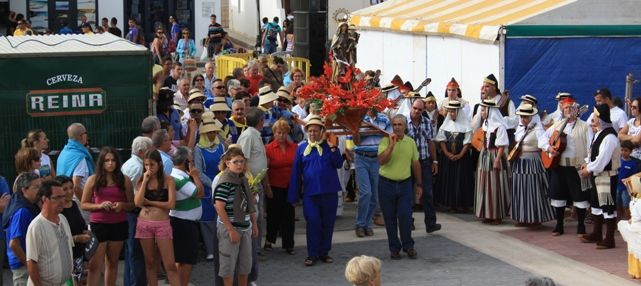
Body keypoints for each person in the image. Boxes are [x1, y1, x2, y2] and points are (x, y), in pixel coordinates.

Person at [288, 116, 343, 266]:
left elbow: (338, 164)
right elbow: (295, 173)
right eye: (310, 131)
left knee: (328, 223)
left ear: (321, 132)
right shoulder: (301, 148)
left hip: (329, 192)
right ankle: (312, 254)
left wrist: (333, 148)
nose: (312, 133)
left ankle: (324, 252)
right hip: (310, 194)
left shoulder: (329, 146)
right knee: (312, 222)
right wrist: (293, 197)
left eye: (315, 131)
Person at [80, 147, 133, 286]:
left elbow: (132, 204)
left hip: (118, 224)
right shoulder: (93, 180)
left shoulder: (124, 180)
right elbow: (84, 204)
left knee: (112, 262)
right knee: (94, 264)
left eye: (113, 160)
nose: (110, 163)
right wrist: (100, 206)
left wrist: (122, 205)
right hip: (99, 225)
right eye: (107, 160)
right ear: (101, 163)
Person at [544, 97, 592, 236]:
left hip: (577, 167)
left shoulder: (585, 126)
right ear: (563, 110)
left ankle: (581, 226)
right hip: (560, 166)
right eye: (566, 108)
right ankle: (559, 225)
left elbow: (591, 147)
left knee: (580, 197)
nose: (569, 110)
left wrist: (587, 164)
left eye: (571, 108)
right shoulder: (557, 125)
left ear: (577, 110)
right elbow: (543, 138)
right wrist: (548, 149)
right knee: (558, 196)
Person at [377, 114, 422, 259]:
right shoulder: (385, 141)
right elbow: (382, 161)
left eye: (400, 124)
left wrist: (419, 184)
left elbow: (415, 163)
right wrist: (391, 145)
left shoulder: (411, 142)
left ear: (405, 126)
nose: (397, 127)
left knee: (405, 216)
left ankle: (408, 246)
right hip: (386, 184)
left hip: (404, 184)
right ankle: (394, 248)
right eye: (394, 124)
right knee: (389, 218)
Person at [134, 149, 181, 285]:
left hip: (162, 224)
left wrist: (149, 202)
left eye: (152, 165)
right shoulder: (142, 180)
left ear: (159, 164)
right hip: (144, 223)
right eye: (146, 165)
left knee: (170, 264)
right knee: (149, 262)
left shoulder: (168, 180)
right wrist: (144, 182)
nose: (149, 168)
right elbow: (137, 202)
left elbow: (171, 204)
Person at [214, 146, 258, 286]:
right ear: (227, 163)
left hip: (245, 227)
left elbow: (248, 203)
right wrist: (231, 230)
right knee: (228, 265)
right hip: (231, 229)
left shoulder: (243, 179)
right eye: (236, 162)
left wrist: (254, 224)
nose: (239, 164)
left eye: (241, 161)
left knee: (245, 266)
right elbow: (219, 206)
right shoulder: (225, 181)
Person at [579, 104, 621, 249]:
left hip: (607, 176)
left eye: (595, 116)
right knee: (596, 204)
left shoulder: (609, 136)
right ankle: (597, 233)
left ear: (601, 118)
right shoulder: (599, 133)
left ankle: (609, 239)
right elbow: (593, 154)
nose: (593, 118)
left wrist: (589, 168)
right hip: (597, 174)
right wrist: (587, 163)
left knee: (608, 206)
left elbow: (603, 159)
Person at [510, 103, 554, 226]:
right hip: (520, 162)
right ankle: (521, 217)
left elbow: (543, 142)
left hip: (533, 162)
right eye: (522, 116)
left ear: (531, 117)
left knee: (534, 190)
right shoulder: (520, 128)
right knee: (520, 189)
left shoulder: (537, 129)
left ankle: (535, 218)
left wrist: (548, 148)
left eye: (526, 117)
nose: (523, 119)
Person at [26, 179, 73, 286]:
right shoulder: (36, 226)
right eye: (56, 198)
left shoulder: (63, 219)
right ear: (44, 199)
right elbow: (31, 263)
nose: (62, 201)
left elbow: (67, 253)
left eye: (63, 196)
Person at [352, 109, 391, 237]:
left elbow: (390, 137)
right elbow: (356, 142)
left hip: (377, 159)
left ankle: (367, 224)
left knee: (375, 195)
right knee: (366, 193)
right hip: (361, 158)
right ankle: (360, 224)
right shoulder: (358, 119)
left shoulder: (384, 119)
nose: (370, 106)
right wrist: (356, 131)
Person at [170, 147, 204, 286]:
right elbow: (199, 193)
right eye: (191, 161)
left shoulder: (180, 176)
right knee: (186, 260)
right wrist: (196, 176)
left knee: (183, 260)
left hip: (184, 223)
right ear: (186, 162)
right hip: (184, 224)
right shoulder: (179, 178)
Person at [121, 136, 153, 286]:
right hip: (134, 213)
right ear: (141, 152)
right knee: (137, 254)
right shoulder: (137, 167)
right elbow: (134, 193)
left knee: (131, 253)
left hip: (129, 213)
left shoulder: (129, 164)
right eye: (149, 150)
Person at [406, 99, 441, 232]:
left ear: (423, 110)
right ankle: (408, 222)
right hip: (408, 163)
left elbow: (430, 142)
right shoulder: (404, 122)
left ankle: (431, 224)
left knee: (428, 192)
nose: (416, 111)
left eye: (420, 110)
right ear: (411, 107)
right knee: (408, 193)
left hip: (424, 161)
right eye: (415, 108)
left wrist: (435, 161)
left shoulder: (427, 122)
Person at [264, 119, 297, 254]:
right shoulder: (268, 149)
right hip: (274, 186)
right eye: (279, 133)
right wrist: (267, 187)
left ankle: (288, 244)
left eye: (284, 133)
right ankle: (269, 240)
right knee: (273, 215)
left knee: (289, 216)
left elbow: (297, 169)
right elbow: (265, 169)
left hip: (290, 186)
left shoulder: (294, 147)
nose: (282, 135)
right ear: (274, 133)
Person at [434, 100, 474, 212]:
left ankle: (462, 204)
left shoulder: (466, 125)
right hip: (447, 158)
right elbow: (441, 140)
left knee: (462, 180)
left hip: (462, 159)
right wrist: (447, 153)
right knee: (449, 179)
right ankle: (449, 204)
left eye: (453, 111)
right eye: (449, 111)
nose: (450, 114)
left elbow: (467, 142)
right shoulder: (445, 125)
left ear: (458, 112)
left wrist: (460, 155)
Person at [475, 99, 510, 224]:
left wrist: (497, 160)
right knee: (484, 184)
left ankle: (497, 215)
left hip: (495, 155)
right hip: (485, 155)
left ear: (491, 110)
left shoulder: (499, 127)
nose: (482, 112)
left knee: (495, 185)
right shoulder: (486, 124)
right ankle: (487, 213)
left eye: (484, 110)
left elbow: (502, 146)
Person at [2, 172, 41, 286]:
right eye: (36, 187)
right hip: (23, 268)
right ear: (24, 190)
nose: (40, 190)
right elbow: (14, 244)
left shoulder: (26, 203)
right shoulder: (22, 211)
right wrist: (29, 265)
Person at [56, 175, 90, 284]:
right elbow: (56, 237)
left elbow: (80, 225)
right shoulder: (57, 211)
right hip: (65, 258)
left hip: (79, 254)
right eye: (65, 189)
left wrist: (86, 232)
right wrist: (77, 238)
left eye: (71, 187)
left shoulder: (74, 204)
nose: (70, 191)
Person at [57, 123, 95, 210]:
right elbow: (76, 186)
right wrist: (86, 204)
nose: (87, 136)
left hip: (66, 201)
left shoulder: (64, 153)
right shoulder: (79, 157)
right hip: (78, 202)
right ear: (81, 136)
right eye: (86, 133)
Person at [618, 176, 641, 279]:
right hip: (637, 227)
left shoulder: (634, 200)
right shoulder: (637, 201)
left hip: (635, 227)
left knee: (633, 248)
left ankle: (635, 271)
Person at [619, 141, 641, 220]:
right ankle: (618, 222)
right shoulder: (617, 161)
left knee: (626, 205)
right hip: (617, 186)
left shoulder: (634, 163)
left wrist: (629, 179)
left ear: (630, 152)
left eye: (626, 150)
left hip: (627, 188)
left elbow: (636, 176)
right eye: (622, 150)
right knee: (617, 204)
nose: (623, 152)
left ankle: (627, 220)